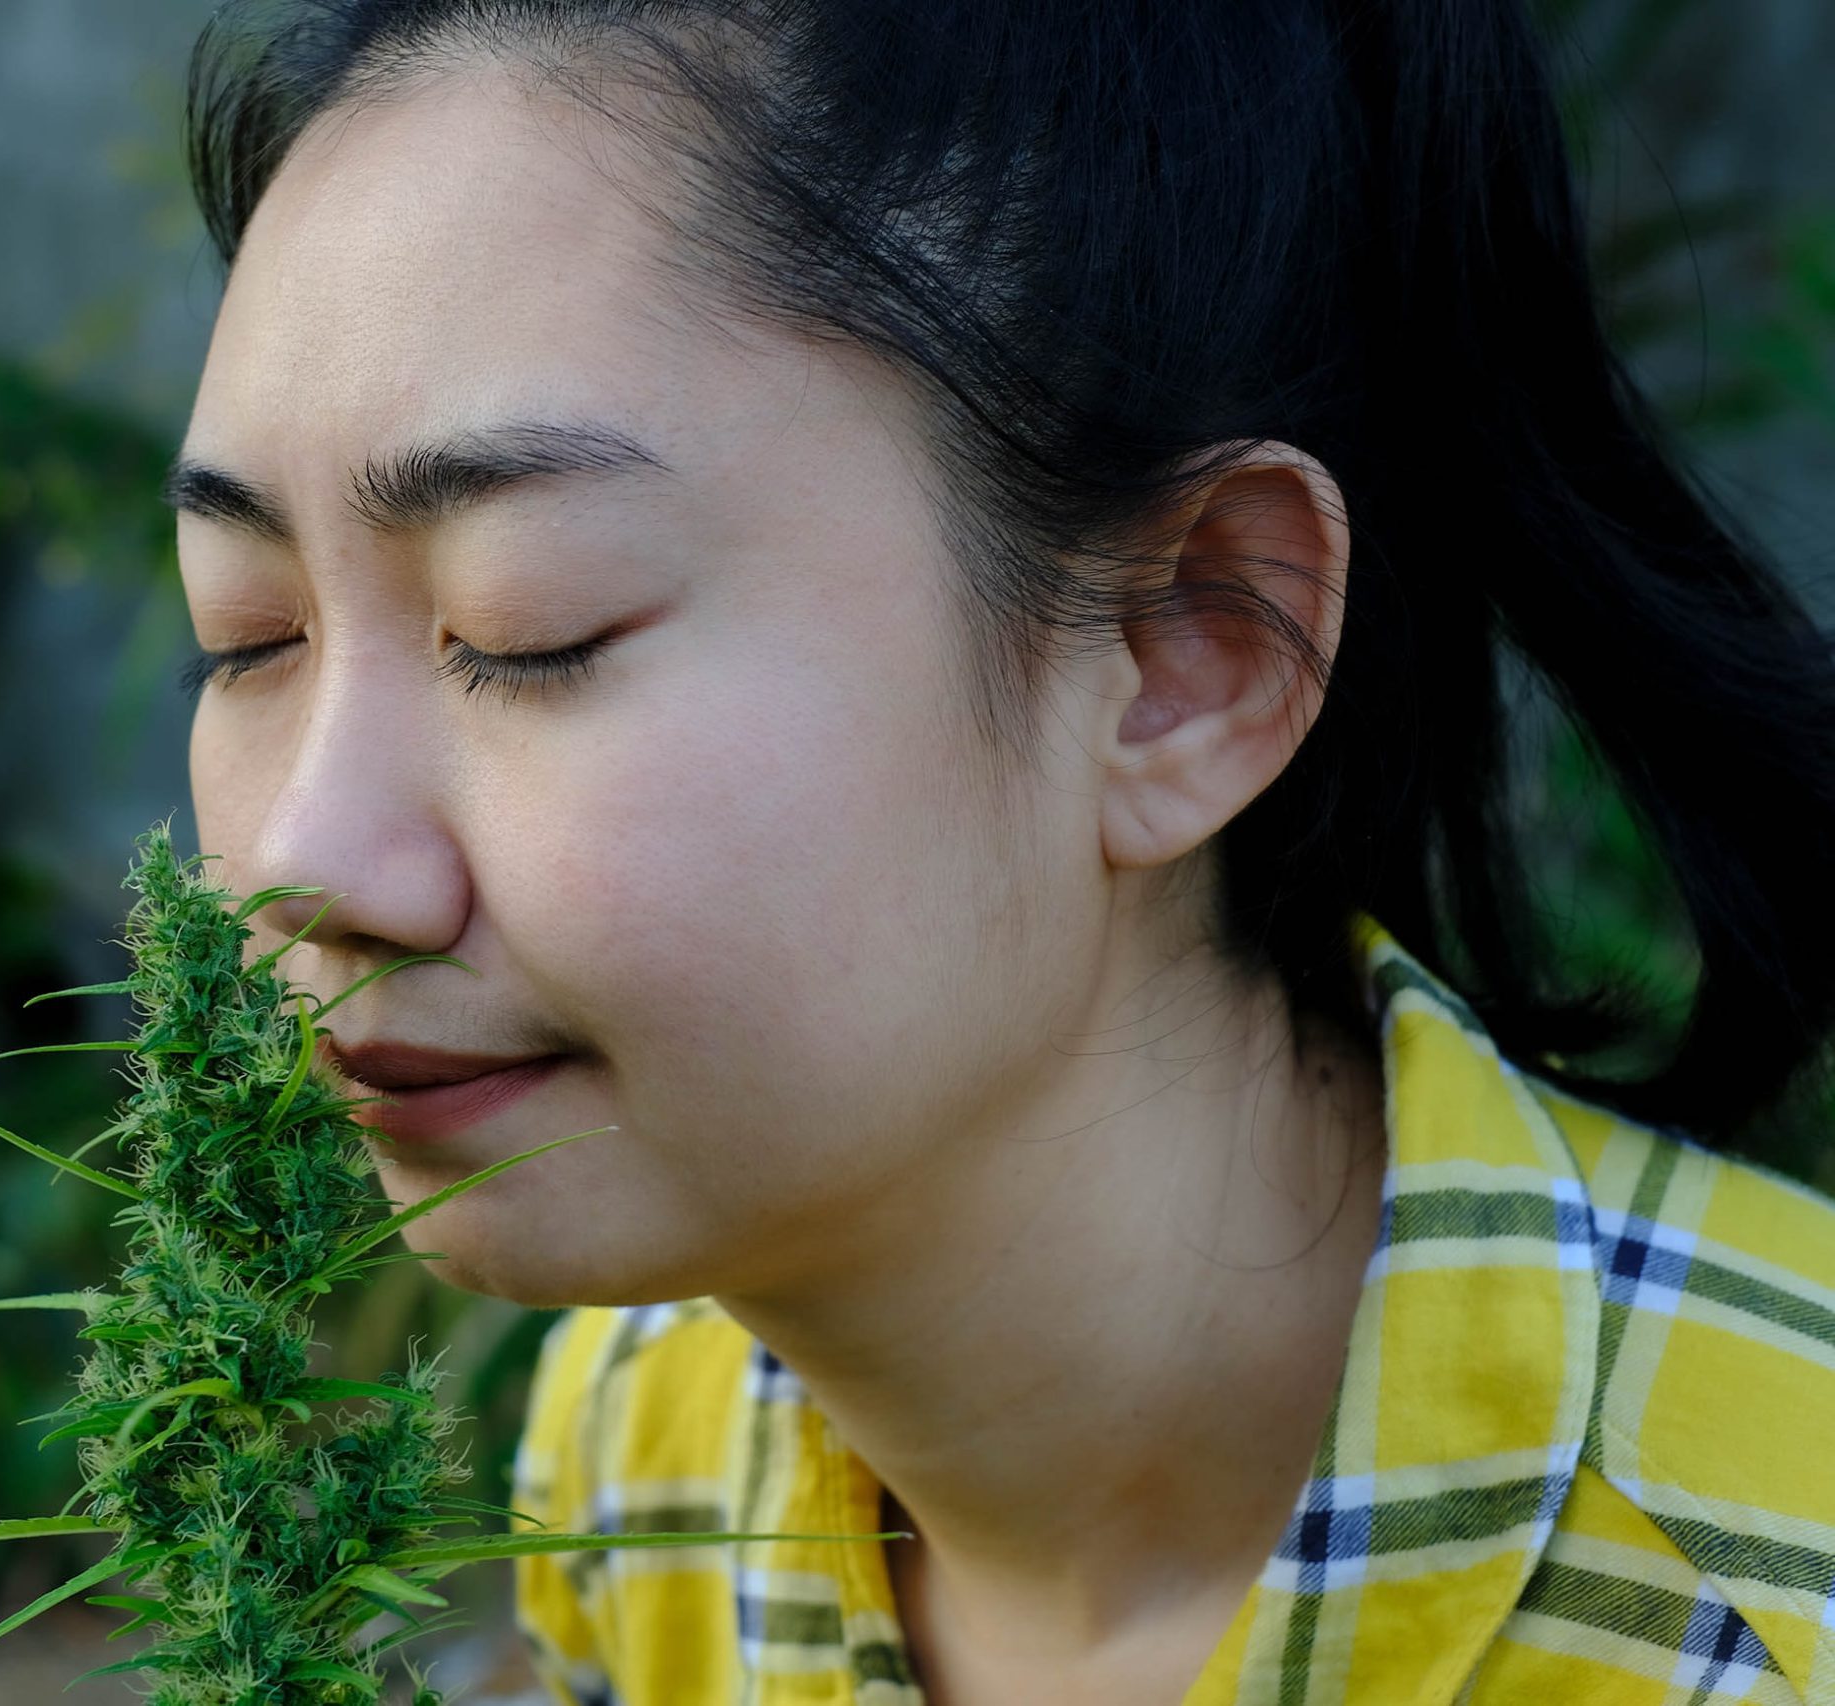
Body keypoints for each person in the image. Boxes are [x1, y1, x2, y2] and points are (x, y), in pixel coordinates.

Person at [162, 1, 1835, 1700]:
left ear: (1189, 649)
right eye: (242, 638)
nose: (304, 859)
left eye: (530, 625)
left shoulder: (1768, 1608)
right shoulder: (645, 1446)